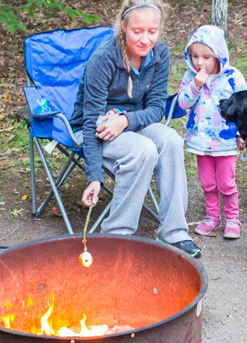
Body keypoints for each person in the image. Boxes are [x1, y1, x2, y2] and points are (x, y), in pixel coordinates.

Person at [69, 0, 201, 257]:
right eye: (137, 31)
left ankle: (174, 232)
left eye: (152, 31)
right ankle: (117, 235)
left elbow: (155, 109)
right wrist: (94, 176)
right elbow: (89, 121)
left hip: (132, 122)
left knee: (171, 139)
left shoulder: (160, 54)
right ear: (123, 27)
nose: (145, 39)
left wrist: (127, 121)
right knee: (144, 149)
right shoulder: (104, 59)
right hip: (96, 128)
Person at [176, 25, 247, 239]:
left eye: (206, 57)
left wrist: (243, 133)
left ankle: (233, 218)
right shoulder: (191, 76)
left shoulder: (233, 77)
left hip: (225, 142)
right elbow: (182, 104)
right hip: (200, 140)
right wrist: (195, 87)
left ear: (219, 55)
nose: (199, 62)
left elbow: (245, 107)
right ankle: (212, 216)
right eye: (195, 56)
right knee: (207, 182)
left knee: (226, 182)